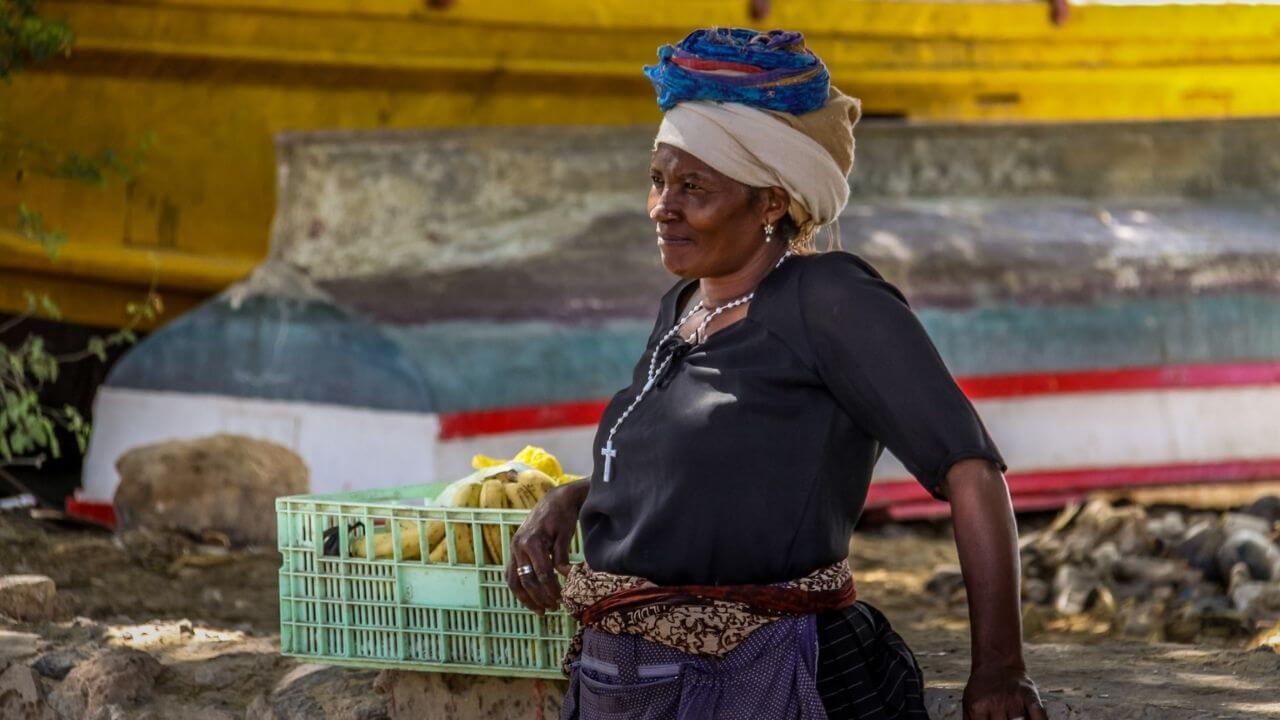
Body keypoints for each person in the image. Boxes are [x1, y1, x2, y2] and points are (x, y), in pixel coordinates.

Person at [506, 27, 1048, 720]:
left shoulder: (830, 300)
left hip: (761, 682)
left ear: (770, 202)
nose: (661, 207)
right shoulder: (684, 305)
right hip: (634, 684)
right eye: (657, 179)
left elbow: (970, 470)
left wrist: (999, 670)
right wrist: (572, 501)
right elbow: (708, 468)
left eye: (693, 186)